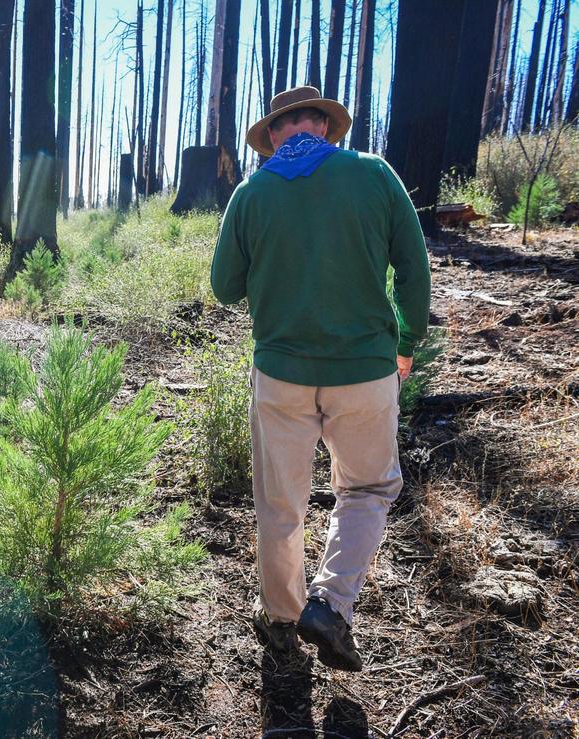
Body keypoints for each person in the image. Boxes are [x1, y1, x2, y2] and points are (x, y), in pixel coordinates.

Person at [210, 86, 431, 672]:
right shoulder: (375, 175)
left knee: (280, 504)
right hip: (365, 372)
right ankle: (331, 606)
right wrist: (406, 343)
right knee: (367, 489)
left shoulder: (252, 192)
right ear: (325, 128)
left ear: (278, 134)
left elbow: (224, 288)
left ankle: (281, 621)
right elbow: (414, 271)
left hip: (280, 374)